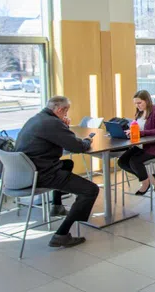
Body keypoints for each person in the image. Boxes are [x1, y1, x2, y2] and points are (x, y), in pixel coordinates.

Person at [14, 96, 100, 248]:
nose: (66, 116)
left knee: (67, 163)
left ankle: (57, 205)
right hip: (43, 174)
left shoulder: (36, 119)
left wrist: (63, 127)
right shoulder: (52, 123)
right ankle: (62, 234)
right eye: (65, 112)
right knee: (90, 190)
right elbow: (77, 147)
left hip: (25, 172)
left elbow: (60, 140)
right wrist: (87, 140)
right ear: (60, 110)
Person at [117, 90, 155, 196]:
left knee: (134, 161)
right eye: (135, 103)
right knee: (122, 161)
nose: (137, 105)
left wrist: (141, 133)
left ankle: (145, 183)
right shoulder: (139, 113)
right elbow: (137, 127)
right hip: (141, 145)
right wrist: (130, 131)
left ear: (147, 101)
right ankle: (150, 178)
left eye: (139, 103)